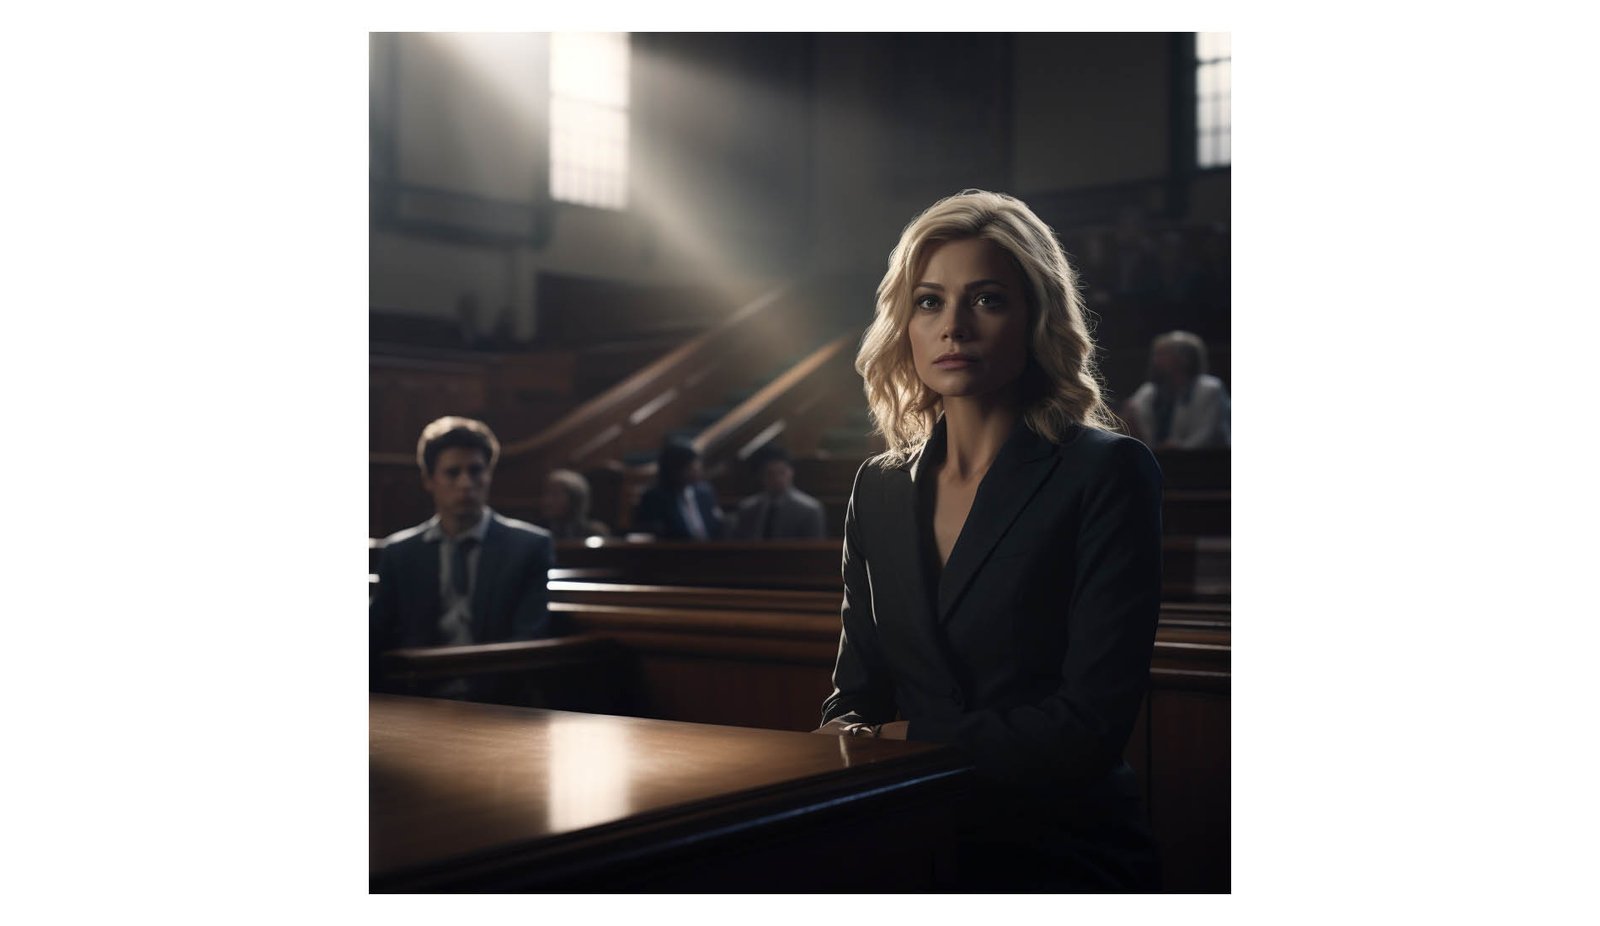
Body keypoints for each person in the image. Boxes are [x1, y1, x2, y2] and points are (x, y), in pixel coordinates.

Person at [818, 190, 1164, 891]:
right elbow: (855, 692)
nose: (954, 328)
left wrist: (902, 741)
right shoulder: (876, 488)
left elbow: (1088, 727)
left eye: (987, 300)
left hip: (1062, 854)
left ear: (1035, 318)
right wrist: (851, 733)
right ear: (904, 324)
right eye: (929, 302)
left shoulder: (1107, 472)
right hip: (905, 841)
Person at [369, 416, 556, 698]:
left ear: (489, 475)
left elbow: (530, 636)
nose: (466, 483)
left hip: (499, 701)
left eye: (476, 470)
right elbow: (374, 636)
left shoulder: (528, 546)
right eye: (453, 473)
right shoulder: (401, 552)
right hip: (416, 698)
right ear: (429, 480)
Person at [1121, 330, 1231, 449]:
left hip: (1207, 459)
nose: (1156, 361)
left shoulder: (1210, 389)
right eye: (1156, 355)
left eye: (1163, 354)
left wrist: (1181, 448)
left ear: (1185, 359)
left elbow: (1210, 432)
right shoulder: (1149, 391)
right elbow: (1137, 422)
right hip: (1162, 458)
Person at [630, 439, 724, 540]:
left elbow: (716, 527)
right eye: (691, 468)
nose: (697, 471)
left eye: (697, 467)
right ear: (675, 470)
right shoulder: (654, 497)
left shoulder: (704, 492)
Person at [727, 446, 827, 540]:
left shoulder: (809, 510)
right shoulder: (747, 509)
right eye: (770, 474)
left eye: (782, 472)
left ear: (791, 472)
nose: (777, 479)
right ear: (761, 477)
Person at [537, 468, 610, 541]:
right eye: (546, 493)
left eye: (555, 494)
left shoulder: (594, 532)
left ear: (575, 499)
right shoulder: (538, 531)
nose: (546, 501)